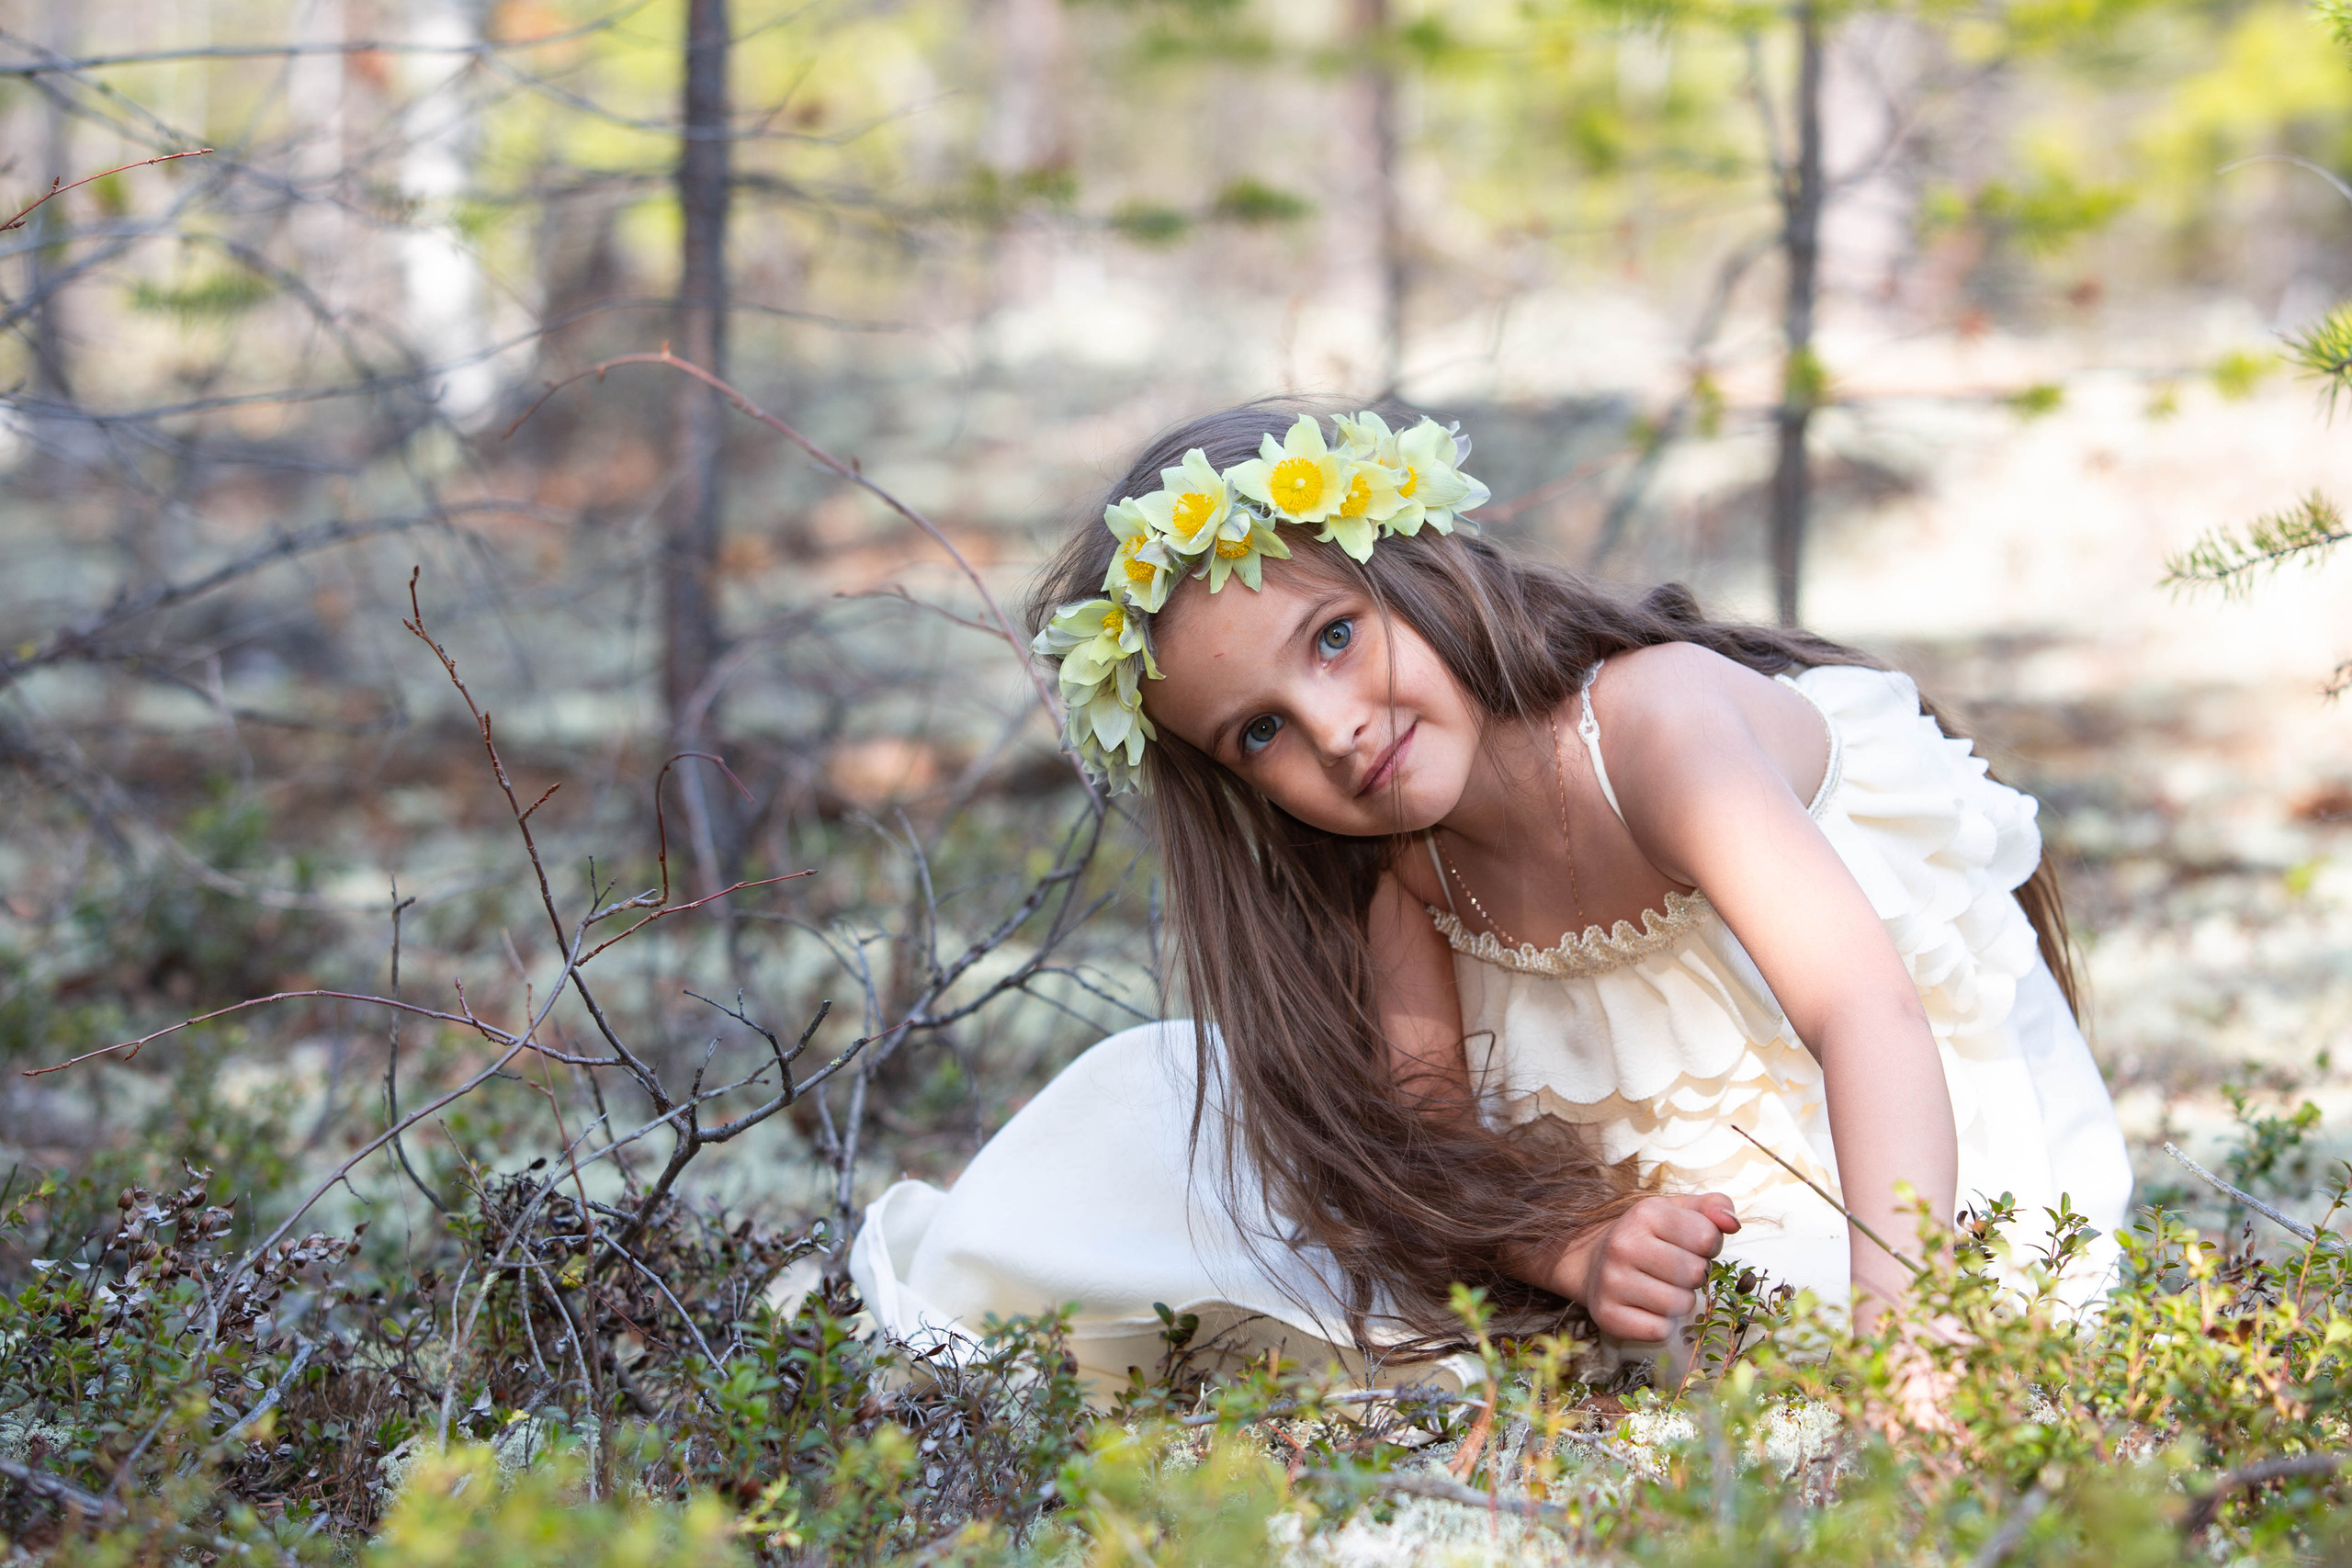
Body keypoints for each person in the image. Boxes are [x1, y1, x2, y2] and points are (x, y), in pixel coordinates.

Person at [850, 400, 2132, 1394]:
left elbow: (1871, 1019)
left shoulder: (1657, 731)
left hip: (1908, 1159)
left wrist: (1901, 1367)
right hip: (1674, 1212)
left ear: (1412, 561)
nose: (1339, 732)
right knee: (1155, 1109)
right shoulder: (1406, 879)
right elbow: (1427, 1154)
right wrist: (1572, 1255)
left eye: (1335, 636)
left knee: (1770, 1320)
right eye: (1260, 736)